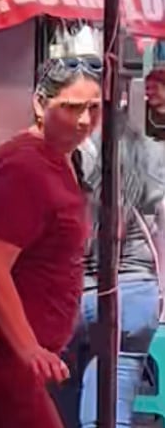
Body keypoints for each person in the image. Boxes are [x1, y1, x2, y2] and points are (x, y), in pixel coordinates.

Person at [0, 55, 103, 428]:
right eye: (71, 108)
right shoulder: (24, 166)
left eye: (93, 108)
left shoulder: (61, 158)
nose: (83, 120)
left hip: (18, 349)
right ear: (39, 105)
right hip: (3, 349)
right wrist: (28, 347)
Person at [56, 111, 165, 428]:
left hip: (77, 297)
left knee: (51, 391)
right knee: (109, 415)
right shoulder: (148, 166)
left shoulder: (71, 169)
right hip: (135, 297)